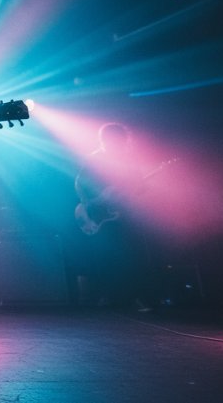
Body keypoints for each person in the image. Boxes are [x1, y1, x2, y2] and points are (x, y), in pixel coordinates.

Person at [72, 122, 154, 311]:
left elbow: (139, 188)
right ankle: (107, 295)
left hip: (123, 214)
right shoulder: (94, 160)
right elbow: (79, 184)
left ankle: (135, 297)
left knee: (133, 256)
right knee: (105, 256)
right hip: (100, 214)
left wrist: (133, 192)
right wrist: (91, 201)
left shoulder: (130, 161)